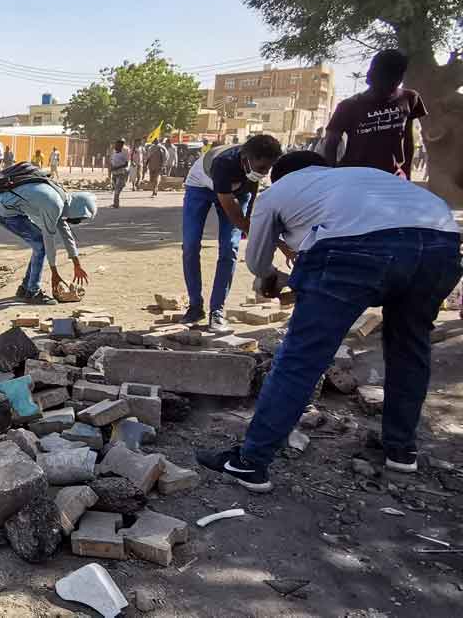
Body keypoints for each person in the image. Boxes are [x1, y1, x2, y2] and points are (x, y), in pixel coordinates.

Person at [196, 151, 461, 492]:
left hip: (354, 253)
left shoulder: (278, 191)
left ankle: (251, 462)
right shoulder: (359, 176)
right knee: (410, 347)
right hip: (441, 245)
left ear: (279, 175)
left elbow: (258, 262)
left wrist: (272, 278)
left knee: (302, 358)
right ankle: (401, 449)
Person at [180, 134, 283, 331]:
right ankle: (195, 306)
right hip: (200, 186)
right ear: (247, 159)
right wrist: (274, 242)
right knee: (190, 245)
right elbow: (236, 217)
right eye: (262, 168)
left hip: (236, 190)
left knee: (230, 247)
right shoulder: (223, 163)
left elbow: (251, 196)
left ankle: (217, 311)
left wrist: (253, 228)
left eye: (268, 168)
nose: (265, 172)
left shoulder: (254, 168)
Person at [0, 169, 96, 305]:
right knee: (41, 245)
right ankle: (33, 292)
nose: (75, 221)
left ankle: (26, 288)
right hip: (2, 212)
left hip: (8, 208)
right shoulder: (54, 204)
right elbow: (49, 239)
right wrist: (54, 274)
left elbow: (67, 234)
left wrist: (77, 264)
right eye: (78, 219)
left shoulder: (62, 199)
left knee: (39, 244)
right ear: (77, 209)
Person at [323, 49, 427, 178]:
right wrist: (331, 178)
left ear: (399, 77)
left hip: (391, 179)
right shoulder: (348, 106)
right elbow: (330, 145)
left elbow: (408, 140)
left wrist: (407, 175)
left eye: (396, 75)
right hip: (354, 177)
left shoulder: (410, 98)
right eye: (381, 74)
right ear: (372, 74)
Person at [109, 139, 130, 208]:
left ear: (121, 146)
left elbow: (126, 164)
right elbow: (112, 161)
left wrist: (117, 167)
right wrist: (111, 168)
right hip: (114, 173)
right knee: (115, 188)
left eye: (117, 145)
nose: (115, 146)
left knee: (117, 189)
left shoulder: (123, 154)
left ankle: (116, 204)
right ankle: (115, 203)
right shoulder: (114, 152)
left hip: (121, 173)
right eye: (115, 144)